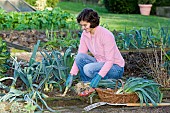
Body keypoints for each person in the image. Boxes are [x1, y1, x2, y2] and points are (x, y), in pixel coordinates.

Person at [65, 8, 125, 96]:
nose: (82, 28)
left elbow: (110, 61)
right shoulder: (85, 35)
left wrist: (99, 76)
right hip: (100, 63)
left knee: (88, 69)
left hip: (115, 68)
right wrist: (72, 74)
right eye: (81, 25)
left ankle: (105, 84)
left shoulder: (106, 35)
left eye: (85, 25)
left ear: (92, 22)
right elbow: (81, 54)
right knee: (79, 57)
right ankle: (88, 86)